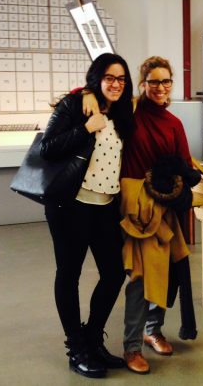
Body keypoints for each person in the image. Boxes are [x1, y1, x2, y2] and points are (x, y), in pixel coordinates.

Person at [86, 56, 195, 374]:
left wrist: (175, 185)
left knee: (163, 271)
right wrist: (86, 94)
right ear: (143, 83)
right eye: (154, 82)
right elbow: (98, 96)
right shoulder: (129, 112)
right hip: (132, 207)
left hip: (162, 206)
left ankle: (153, 330)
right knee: (138, 276)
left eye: (166, 81)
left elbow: (184, 165)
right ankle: (132, 346)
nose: (160, 88)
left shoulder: (174, 123)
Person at [40, 53, 134, 378]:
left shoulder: (121, 112)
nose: (116, 84)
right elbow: (47, 148)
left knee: (113, 273)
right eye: (109, 77)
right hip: (71, 205)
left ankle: (93, 338)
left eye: (121, 78)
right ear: (97, 78)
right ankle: (76, 348)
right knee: (69, 274)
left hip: (105, 206)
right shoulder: (74, 105)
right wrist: (85, 128)